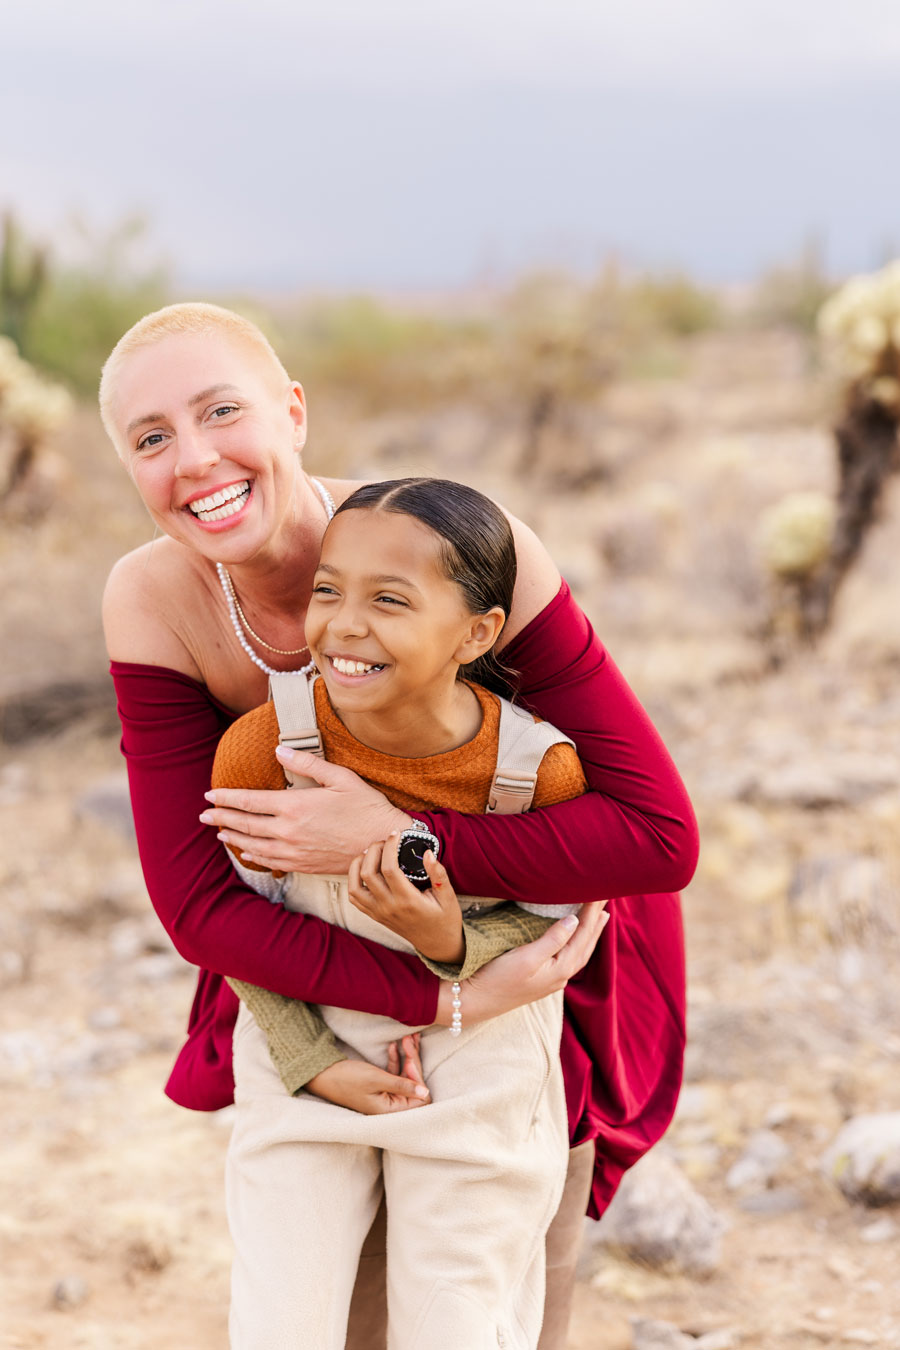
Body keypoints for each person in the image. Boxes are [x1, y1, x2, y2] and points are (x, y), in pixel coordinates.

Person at [100, 302, 698, 1349]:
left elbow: (658, 835)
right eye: (152, 439)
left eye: (220, 412)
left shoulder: (451, 546)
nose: (194, 461)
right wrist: (421, 998)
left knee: (488, 1286)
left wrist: (399, 844)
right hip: (305, 959)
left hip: (537, 921)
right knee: (329, 1299)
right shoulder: (154, 600)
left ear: (292, 411)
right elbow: (196, 900)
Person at [215, 477, 597, 1346]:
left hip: (485, 1054)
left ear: (479, 633)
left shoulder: (536, 772)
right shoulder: (265, 749)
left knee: (459, 1321)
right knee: (282, 1323)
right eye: (327, 591)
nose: (345, 624)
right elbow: (237, 923)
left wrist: (450, 936)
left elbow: (559, 928)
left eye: (389, 599)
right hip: (300, 1043)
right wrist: (309, 1055)